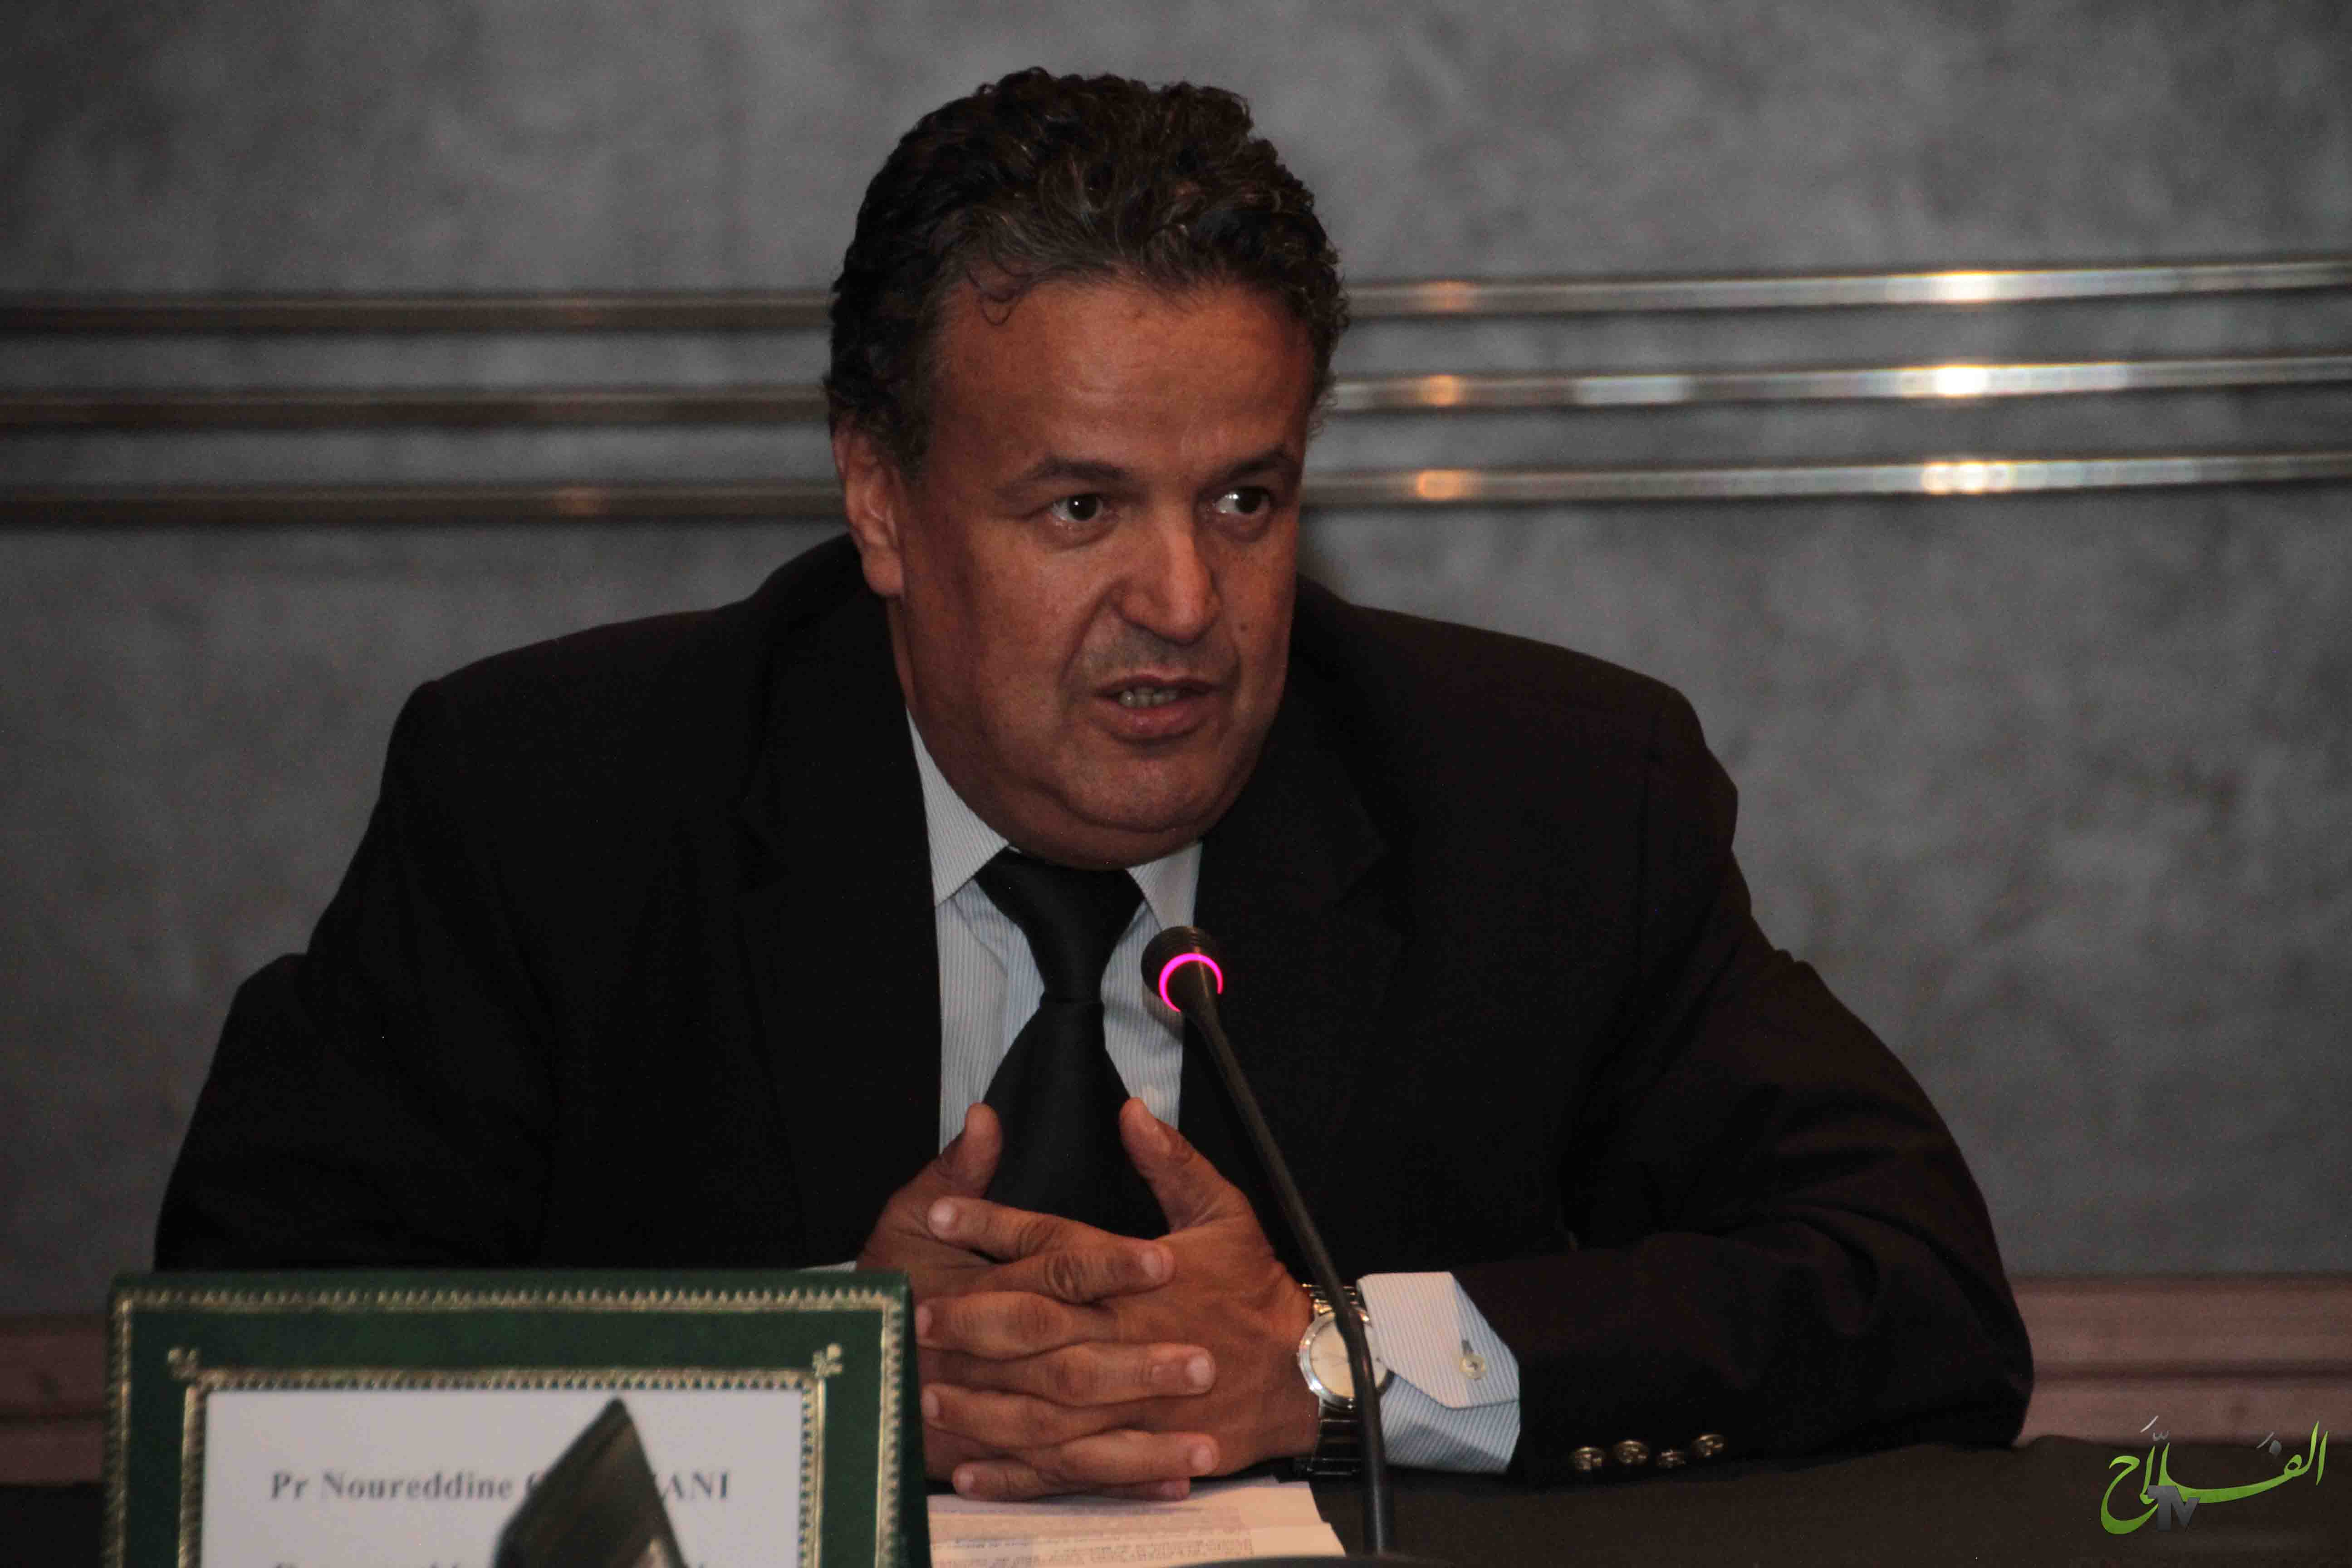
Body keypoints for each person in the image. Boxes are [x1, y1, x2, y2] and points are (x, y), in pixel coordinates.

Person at [158, 69, 2032, 1500]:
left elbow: (1915, 1289)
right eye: (1080, 508)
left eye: (1246, 498)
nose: (1187, 605)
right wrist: (806, 1376)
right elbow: (244, 1372)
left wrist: (1331, 1357)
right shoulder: (554, 800)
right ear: (880, 499)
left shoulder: (1547, 799)